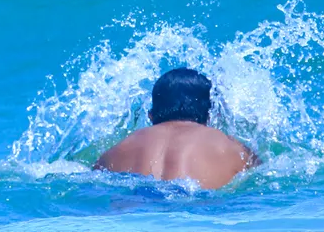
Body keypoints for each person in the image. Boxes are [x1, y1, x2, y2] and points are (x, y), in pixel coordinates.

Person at [94, 68, 259, 189]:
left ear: (151, 115)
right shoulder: (231, 147)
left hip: (136, 210)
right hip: (198, 211)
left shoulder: (116, 150)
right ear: (210, 116)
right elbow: (264, 177)